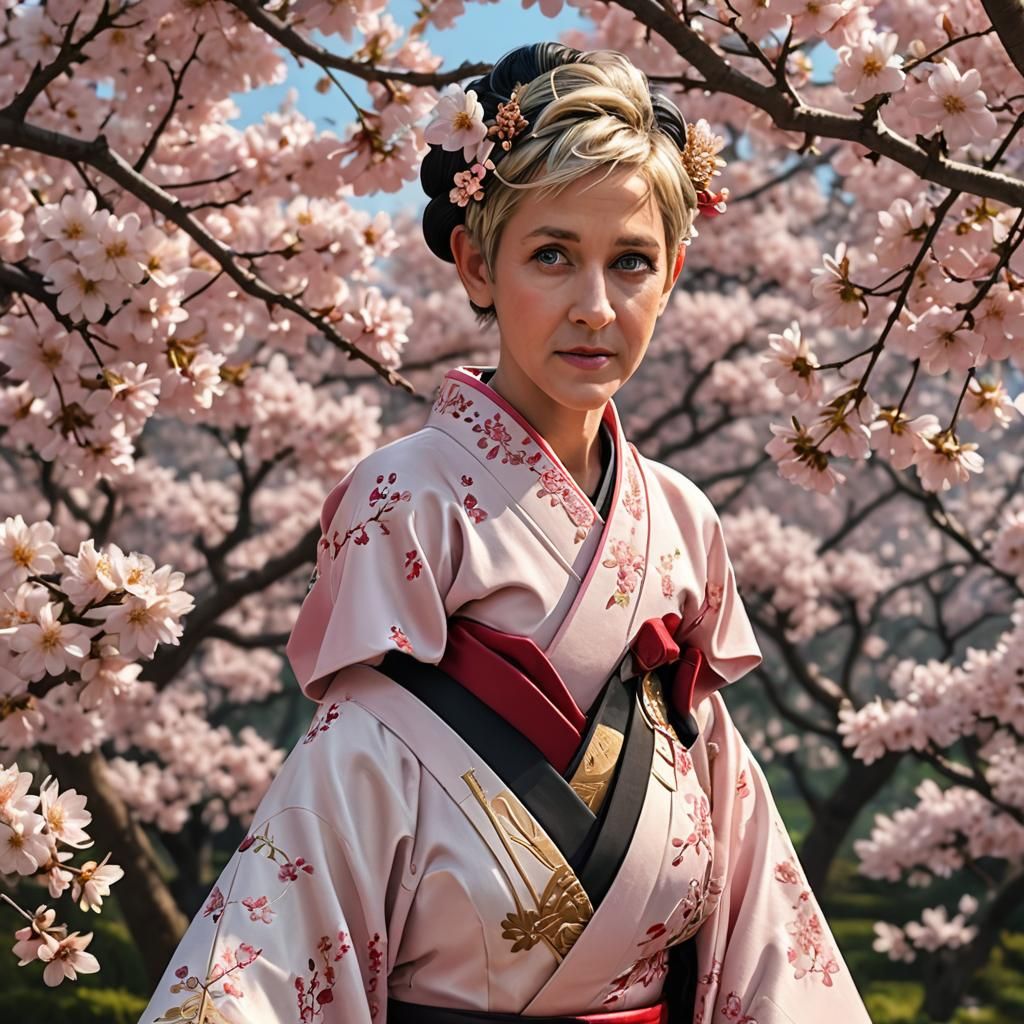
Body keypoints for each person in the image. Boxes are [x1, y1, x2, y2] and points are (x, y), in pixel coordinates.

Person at [138, 44, 872, 1024]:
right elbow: (350, 781)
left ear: (674, 272)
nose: (595, 307)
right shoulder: (406, 497)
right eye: (552, 255)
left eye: (632, 262)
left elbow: (738, 852)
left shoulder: (684, 524)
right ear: (479, 260)